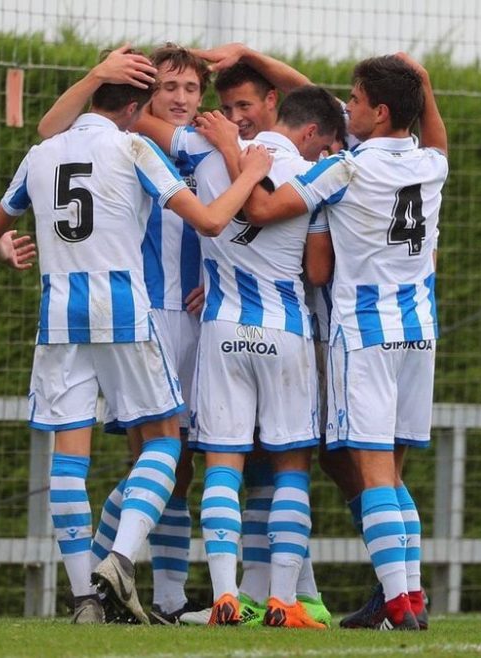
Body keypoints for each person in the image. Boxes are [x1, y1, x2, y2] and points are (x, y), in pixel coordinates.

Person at [0, 49, 272, 625]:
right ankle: (117, 559)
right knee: (166, 443)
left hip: (59, 317)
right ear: (138, 107)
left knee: (69, 458)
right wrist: (254, 173)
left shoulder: (40, 155)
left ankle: (84, 596)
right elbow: (212, 222)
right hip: (127, 312)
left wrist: (4, 249)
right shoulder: (136, 145)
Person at [221, 52, 449, 631]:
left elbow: (266, 208)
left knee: (370, 471)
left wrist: (237, 155)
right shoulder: (431, 164)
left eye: (353, 98)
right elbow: (437, 139)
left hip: (363, 334)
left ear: (379, 110)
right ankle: (410, 595)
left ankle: (399, 604)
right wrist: (423, 84)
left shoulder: (344, 169)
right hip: (419, 333)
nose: (344, 106)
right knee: (392, 477)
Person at [41, 42, 214, 626]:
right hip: (144, 315)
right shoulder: (137, 141)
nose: (183, 99)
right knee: (163, 455)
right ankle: (156, 591)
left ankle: (124, 580)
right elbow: (48, 128)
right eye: (171, 88)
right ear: (142, 96)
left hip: (205, 318)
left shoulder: (205, 147)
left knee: (202, 456)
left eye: (192, 89)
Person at [181, 85, 344, 629]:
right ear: (308, 131)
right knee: (290, 467)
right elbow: (319, 271)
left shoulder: (206, 156)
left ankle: (225, 595)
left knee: (222, 465)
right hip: (286, 332)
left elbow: (155, 131)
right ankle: (282, 601)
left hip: (222, 328)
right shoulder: (315, 171)